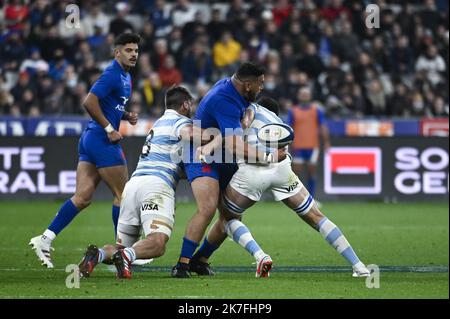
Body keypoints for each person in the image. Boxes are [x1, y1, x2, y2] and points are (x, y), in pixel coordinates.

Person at [194, 97, 370, 278]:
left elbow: (240, 125)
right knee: (316, 217)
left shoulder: (251, 108)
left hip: (253, 169)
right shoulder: (278, 121)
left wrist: (210, 147)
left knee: (227, 219)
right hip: (282, 168)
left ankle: (260, 255)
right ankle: (358, 265)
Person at [77, 86, 223, 279]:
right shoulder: (179, 122)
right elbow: (195, 134)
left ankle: (99, 254)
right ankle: (126, 256)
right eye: (191, 104)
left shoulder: (158, 124)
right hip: (156, 187)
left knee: (122, 245)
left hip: (133, 185)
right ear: (186, 104)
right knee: (157, 243)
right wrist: (222, 135)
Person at [29, 33, 141, 269]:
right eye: (128, 50)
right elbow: (89, 102)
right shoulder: (112, 74)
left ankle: (45, 238)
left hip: (90, 139)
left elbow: (109, 104)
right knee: (124, 194)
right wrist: (110, 128)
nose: (133, 54)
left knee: (82, 198)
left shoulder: (125, 76)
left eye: (136, 50)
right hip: (102, 139)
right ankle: (119, 254)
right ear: (117, 52)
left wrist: (124, 115)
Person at [171, 62, 287, 278]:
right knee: (207, 209)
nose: (261, 88)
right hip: (201, 154)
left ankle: (200, 260)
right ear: (247, 84)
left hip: (222, 156)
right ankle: (182, 264)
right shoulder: (224, 99)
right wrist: (268, 157)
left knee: (232, 216)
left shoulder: (235, 91)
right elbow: (234, 144)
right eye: (259, 84)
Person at [288, 86, 330, 201]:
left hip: (313, 146)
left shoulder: (317, 111)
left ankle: (311, 198)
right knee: (296, 173)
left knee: (312, 172)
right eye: (302, 94)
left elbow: (323, 126)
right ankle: (297, 197)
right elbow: (289, 128)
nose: (304, 96)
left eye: (306, 94)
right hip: (298, 146)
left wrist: (326, 142)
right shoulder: (293, 111)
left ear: (310, 96)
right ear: (298, 96)